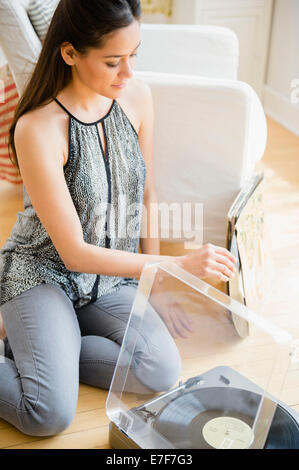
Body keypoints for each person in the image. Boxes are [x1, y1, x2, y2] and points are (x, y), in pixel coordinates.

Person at [0, 0, 236, 437]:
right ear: (70, 53)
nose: (127, 74)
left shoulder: (137, 97)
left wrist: (157, 287)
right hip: (43, 274)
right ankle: (41, 346)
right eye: (113, 62)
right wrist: (178, 266)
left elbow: (146, 194)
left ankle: (40, 347)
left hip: (112, 280)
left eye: (134, 55)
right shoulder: (38, 128)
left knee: (161, 371)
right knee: (47, 414)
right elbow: (73, 253)